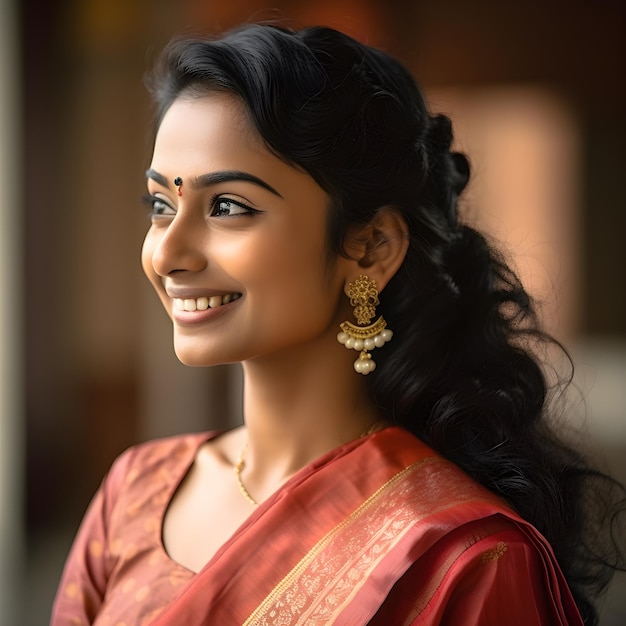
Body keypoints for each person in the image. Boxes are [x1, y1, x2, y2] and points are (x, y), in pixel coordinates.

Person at [51, 23, 624, 625]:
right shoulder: (134, 494)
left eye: (227, 207)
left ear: (372, 246)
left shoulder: (462, 558)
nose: (168, 254)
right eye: (161, 205)